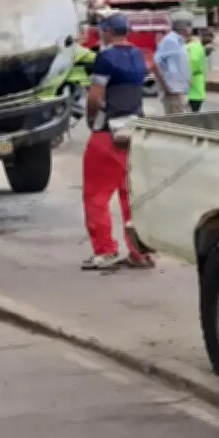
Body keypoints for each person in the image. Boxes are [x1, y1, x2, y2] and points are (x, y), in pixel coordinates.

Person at [82, 14, 152, 271]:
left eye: (102, 30)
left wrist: (92, 119)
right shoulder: (138, 56)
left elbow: (95, 97)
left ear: (109, 32)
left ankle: (106, 251)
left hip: (107, 134)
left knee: (96, 196)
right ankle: (139, 252)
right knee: (130, 196)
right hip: (134, 131)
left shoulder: (106, 58)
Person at [154, 11, 192, 115]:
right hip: (173, 92)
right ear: (183, 27)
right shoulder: (170, 41)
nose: (190, 28)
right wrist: (166, 86)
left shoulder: (179, 41)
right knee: (176, 124)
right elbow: (156, 63)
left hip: (180, 91)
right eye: (189, 25)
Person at [186, 30, 207, 112]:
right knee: (195, 111)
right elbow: (193, 60)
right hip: (195, 80)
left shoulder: (187, 46)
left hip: (188, 82)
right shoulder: (197, 46)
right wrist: (189, 76)